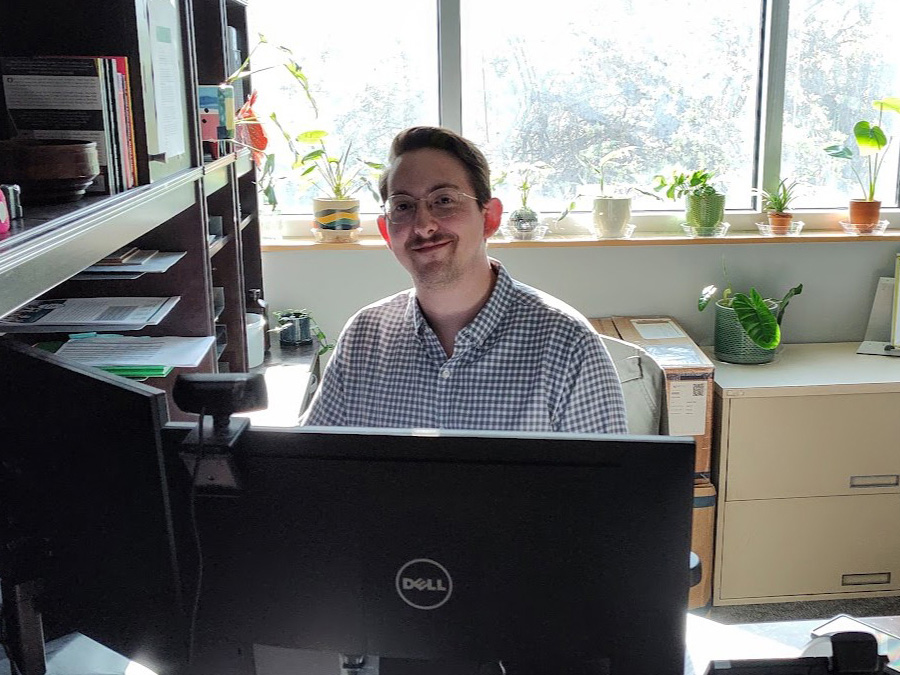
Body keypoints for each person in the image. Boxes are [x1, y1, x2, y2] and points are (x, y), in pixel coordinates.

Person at [302, 126, 627, 433]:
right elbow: (313, 466)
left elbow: (609, 491)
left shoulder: (568, 346)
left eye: (444, 200)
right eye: (403, 206)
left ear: (490, 218)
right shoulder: (364, 337)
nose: (423, 225)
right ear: (387, 232)